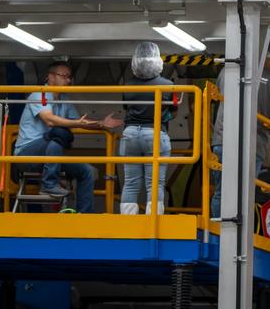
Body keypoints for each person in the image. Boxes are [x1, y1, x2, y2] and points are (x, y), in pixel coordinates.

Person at [13, 61, 118, 212]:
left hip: (51, 157)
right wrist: (75, 123)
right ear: (50, 77)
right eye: (64, 76)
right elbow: (49, 120)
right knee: (59, 133)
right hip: (27, 154)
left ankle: (84, 215)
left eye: (69, 77)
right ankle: (49, 184)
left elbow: (79, 121)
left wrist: (100, 123)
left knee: (86, 171)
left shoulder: (64, 99)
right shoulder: (39, 94)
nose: (68, 81)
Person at [210, 42, 270, 218]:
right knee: (244, 195)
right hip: (252, 145)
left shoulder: (226, 71)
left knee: (221, 191)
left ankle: (216, 233)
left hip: (222, 140)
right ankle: (240, 238)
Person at [120, 42, 176, 215]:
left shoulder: (127, 86)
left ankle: (128, 225)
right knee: (155, 183)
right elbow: (172, 112)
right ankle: (154, 224)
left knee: (130, 182)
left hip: (129, 134)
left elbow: (126, 107)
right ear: (157, 60)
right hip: (155, 132)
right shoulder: (168, 85)